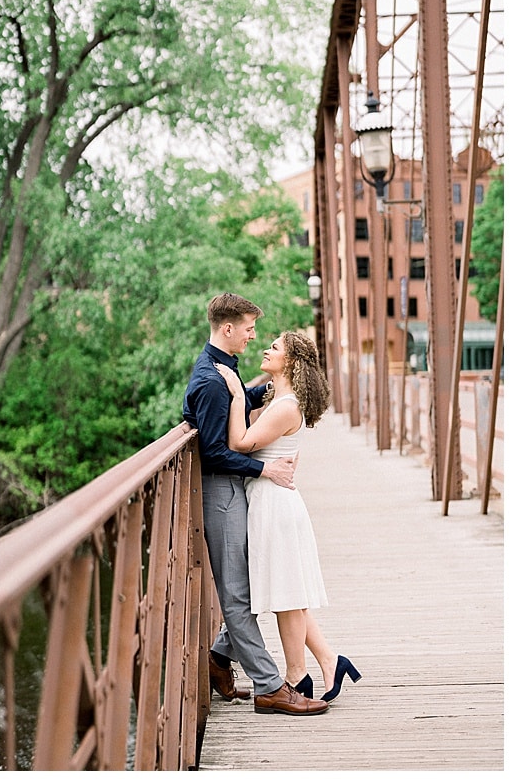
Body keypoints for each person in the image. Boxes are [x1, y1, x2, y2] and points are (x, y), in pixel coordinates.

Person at [182, 293, 328, 716]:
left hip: (235, 491)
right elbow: (213, 452)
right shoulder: (212, 379)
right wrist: (265, 471)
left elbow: (234, 411)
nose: (253, 336)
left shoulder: (223, 371)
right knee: (239, 593)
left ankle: (219, 657)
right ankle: (268, 685)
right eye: (248, 328)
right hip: (223, 492)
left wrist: (257, 390)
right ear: (227, 329)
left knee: (249, 583)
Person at [215, 330, 362, 703]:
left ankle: (298, 675)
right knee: (287, 591)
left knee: (285, 592)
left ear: (291, 362)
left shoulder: (285, 406)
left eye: (275, 347)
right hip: (270, 499)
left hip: (274, 504)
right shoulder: (278, 398)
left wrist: (235, 395)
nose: (266, 348)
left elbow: (239, 443)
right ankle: (329, 661)